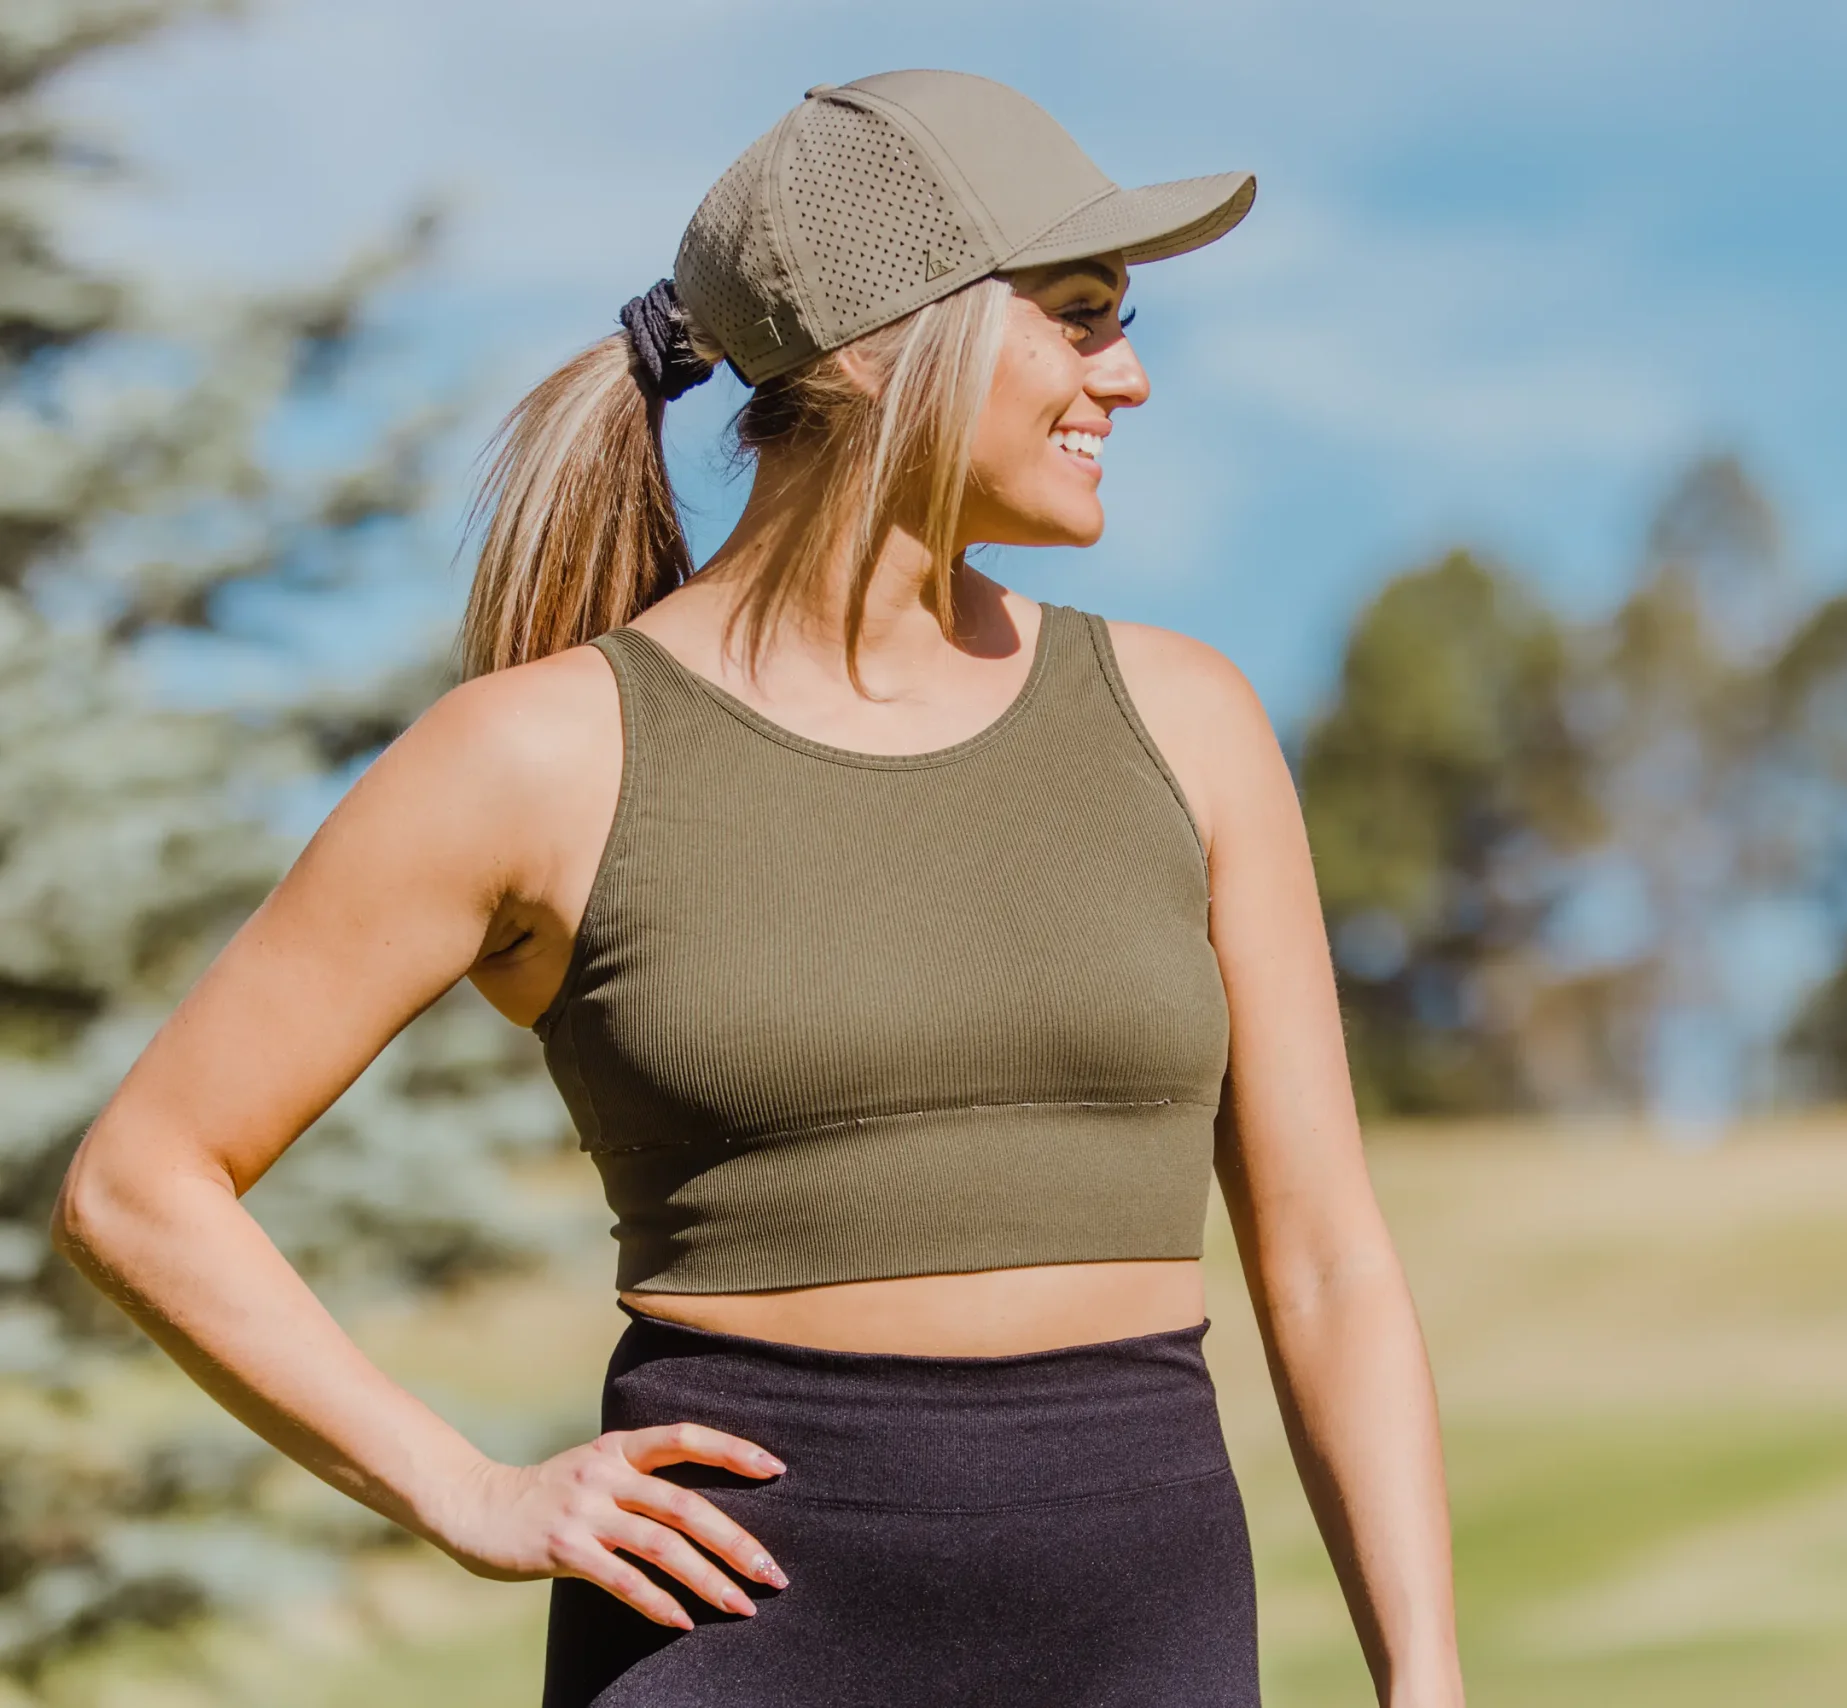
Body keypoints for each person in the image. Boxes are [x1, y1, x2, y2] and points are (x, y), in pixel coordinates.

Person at [51, 70, 1462, 1708]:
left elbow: (1328, 1261)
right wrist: (467, 1491)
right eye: (1077, 318)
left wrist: (1419, 1687)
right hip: (739, 1644)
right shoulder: (541, 757)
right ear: (877, 347)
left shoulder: (1188, 720)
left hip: (1146, 1636)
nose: (1128, 378)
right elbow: (140, 1184)